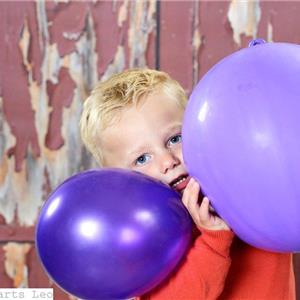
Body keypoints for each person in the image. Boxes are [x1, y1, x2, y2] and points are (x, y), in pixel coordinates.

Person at [80, 69, 295, 300]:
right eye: (142, 159)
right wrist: (213, 239)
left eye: (174, 139)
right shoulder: (138, 243)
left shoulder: (253, 183)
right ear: (117, 181)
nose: (168, 162)